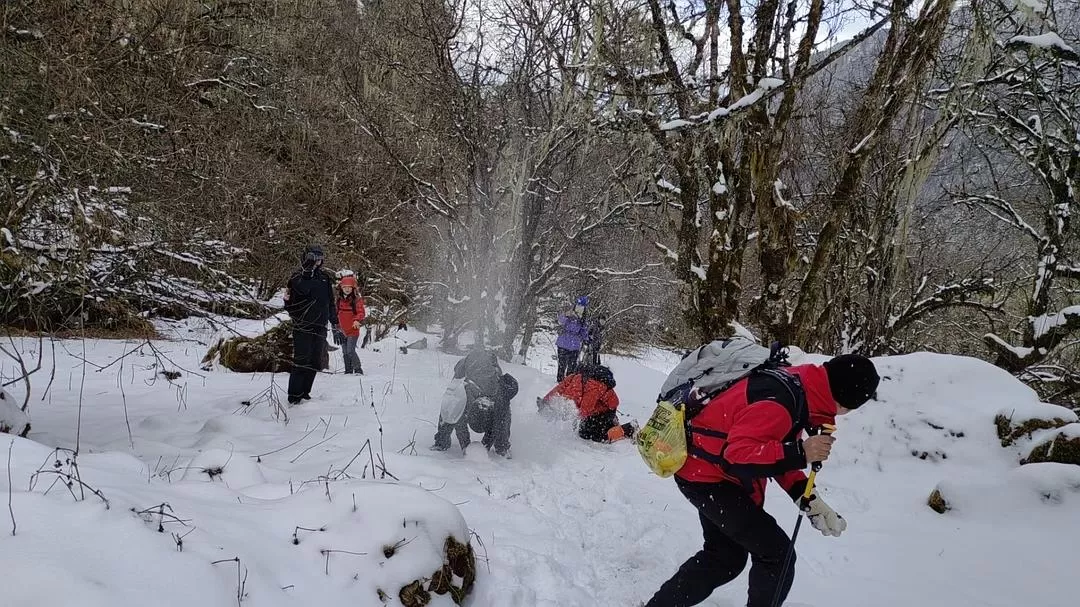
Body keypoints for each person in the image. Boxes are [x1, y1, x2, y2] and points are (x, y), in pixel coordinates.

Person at [644, 354, 880, 607]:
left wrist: (806, 496)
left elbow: (770, 445)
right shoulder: (782, 401)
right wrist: (801, 452)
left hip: (700, 469)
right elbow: (737, 456)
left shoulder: (800, 385)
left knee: (725, 557)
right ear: (844, 402)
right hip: (708, 477)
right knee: (777, 555)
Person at [283, 244, 345, 404]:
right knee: (301, 360)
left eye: (320, 257)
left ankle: (305, 393)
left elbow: (330, 302)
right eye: (313, 257)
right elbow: (290, 301)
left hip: (320, 325)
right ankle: (294, 396)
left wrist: (335, 324)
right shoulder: (297, 277)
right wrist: (306, 273)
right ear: (306, 257)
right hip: (302, 325)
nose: (317, 261)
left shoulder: (324, 278)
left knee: (315, 361)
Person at [431, 348, 518, 457]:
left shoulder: (500, 399)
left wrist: (484, 449)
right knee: (451, 407)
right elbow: (460, 425)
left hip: (490, 371)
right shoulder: (464, 398)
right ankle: (441, 441)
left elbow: (496, 426)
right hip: (465, 367)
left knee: (503, 420)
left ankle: (502, 447)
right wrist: (466, 448)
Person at [538, 364, 636, 442]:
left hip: (607, 408)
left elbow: (585, 410)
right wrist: (545, 402)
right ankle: (610, 424)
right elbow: (557, 390)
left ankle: (629, 429)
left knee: (595, 436)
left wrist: (569, 416)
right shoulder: (572, 378)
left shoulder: (592, 388)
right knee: (583, 432)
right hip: (595, 408)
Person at [335, 274, 366, 375]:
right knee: (344, 352)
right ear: (341, 288)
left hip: (353, 329)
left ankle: (357, 369)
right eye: (345, 287)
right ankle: (348, 370)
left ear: (353, 288)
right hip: (342, 330)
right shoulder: (339, 300)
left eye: (349, 287)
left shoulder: (357, 300)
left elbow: (361, 312)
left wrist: (357, 320)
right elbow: (335, 314)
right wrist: (336, 328)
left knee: (350, 351)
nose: (347, 289)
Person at [555, 295, 590, 381]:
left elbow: (583, 333)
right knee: (562, 366)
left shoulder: (583, 320)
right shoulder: (569, 315)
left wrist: (587, 338)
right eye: (578, 306)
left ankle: (568, 384)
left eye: (582, 307)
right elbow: (560, 321)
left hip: (575, 346)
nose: (579, 309)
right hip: (563, 343)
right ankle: (559, 383)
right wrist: (567, 315)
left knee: (571, 368)